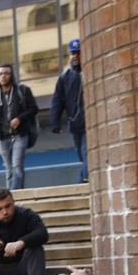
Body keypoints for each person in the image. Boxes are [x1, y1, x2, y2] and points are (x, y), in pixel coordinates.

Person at [0, 63, 39, 190]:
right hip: (3, 136)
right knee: (9, 167)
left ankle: (16, 193)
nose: (3, 76)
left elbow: (34, 108)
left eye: (6, 73)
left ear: (12, 75)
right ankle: (10, 195)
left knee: (17, 165)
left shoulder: (22, 90)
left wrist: (19, 119)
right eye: (0, 74)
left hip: (20, 134)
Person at [51, 38, 87, 183]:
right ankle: (85, 177)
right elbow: (58, 99)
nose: (75, 56)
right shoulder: (65, 77)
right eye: (73, 53)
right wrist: (55, 122)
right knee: (81, 155)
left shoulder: (88, 72)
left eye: (78, 53)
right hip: (74, 124)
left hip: (88, 125)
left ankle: (83, 182)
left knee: (87, 154)